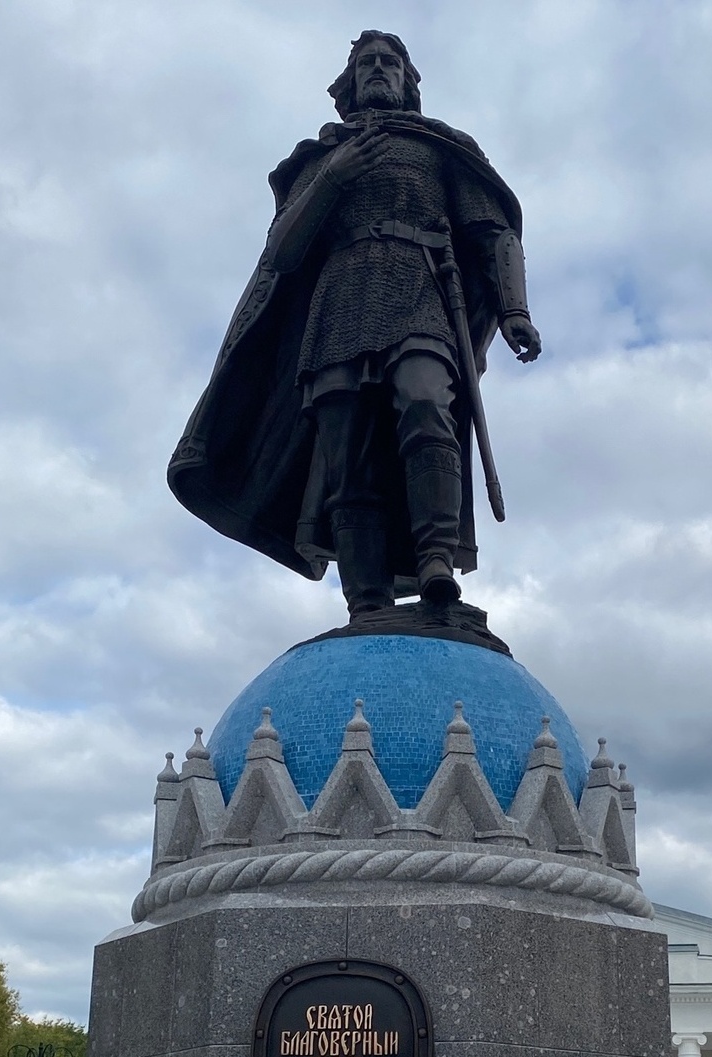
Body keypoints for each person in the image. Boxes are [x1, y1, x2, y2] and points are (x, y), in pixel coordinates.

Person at [168, 30, 542, 618]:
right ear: (347, 85)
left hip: (420, 292)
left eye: (388, 62)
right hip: (339, 305)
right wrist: (334, 177)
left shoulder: (438, 147)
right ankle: (365, 601)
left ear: (407, 81)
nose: (376, 70)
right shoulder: (317, 160)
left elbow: (494, 233)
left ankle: (437, 561)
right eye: (365, 63)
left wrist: (515, 309)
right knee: (346, 460)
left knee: (425, 405)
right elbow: (283, 253)